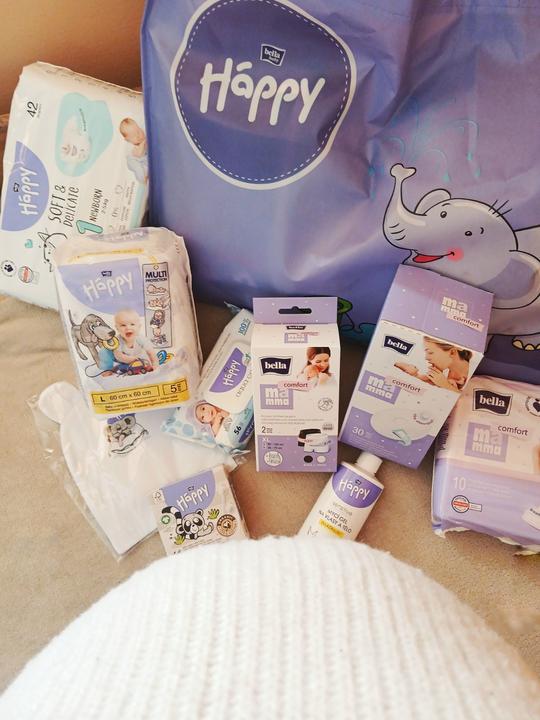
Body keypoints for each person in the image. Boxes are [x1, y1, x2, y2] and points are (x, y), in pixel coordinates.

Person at [394, 337, 471, 392]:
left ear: (452, 352)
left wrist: (446, 385)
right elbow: (427, 381)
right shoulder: (442, 371)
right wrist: (415, 375)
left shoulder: (472, 372)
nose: (426, 358)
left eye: (430, 352)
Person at [119, 118, 148, 183]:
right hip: (134, 159)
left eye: (138, 131)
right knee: (138, 169)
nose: (138, 136)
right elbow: (139, 154)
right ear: (128, 140)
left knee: (146, 163)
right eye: (133, 136)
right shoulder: (130, 147)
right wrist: (143, 141)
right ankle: (143, 180)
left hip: (143, 157)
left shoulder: (143, 131)